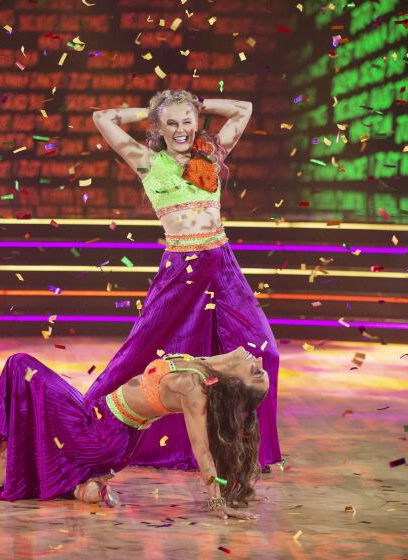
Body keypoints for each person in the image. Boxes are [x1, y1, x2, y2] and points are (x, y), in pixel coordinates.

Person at [86, 90, 280, 471]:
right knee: (143, 352)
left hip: (223, 265)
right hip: (181, 268)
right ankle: (93, 426)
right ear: (158, 127)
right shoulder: (147, 161)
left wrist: (196, 106)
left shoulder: (211, 155)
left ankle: (244, 447)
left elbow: (245, 106)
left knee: (265, 353)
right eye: (171, 123)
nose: (180, 130)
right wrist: (156, 110)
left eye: (187, 122)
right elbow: (103, 118)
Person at [0, 347, 269, 519]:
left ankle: (11, 466)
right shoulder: (206, 368)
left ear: (235, 382)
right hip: (108, 429)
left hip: (101, 431)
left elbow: (201, 449)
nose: (259, 362)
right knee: (43, 401)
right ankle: (85, 486)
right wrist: (235, 359)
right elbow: (230, 360)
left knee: (19, 364)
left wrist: (216, 500)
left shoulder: (194, 387)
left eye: (256, 372)